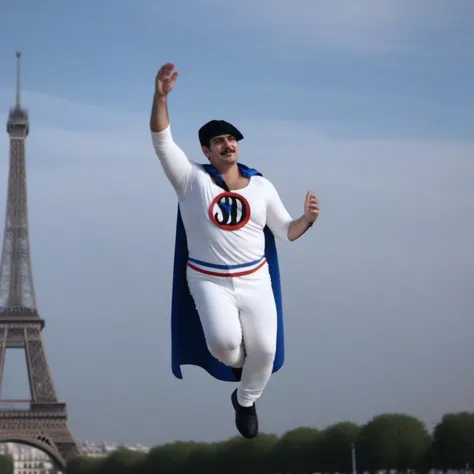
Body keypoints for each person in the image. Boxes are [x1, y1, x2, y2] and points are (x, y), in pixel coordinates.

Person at [150, 63, 319, 439]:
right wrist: (160, 97)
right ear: (206, 151)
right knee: (226, 347)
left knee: (265, 349)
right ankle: (245, 373)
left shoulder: (261, 186)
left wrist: (306, 220)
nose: (228, 145)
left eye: (232, 139)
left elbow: (285, 231)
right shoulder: (190, 179)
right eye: (219, 141)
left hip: (254, 279)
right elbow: (162, 141)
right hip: (208, 280)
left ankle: (245, 400)